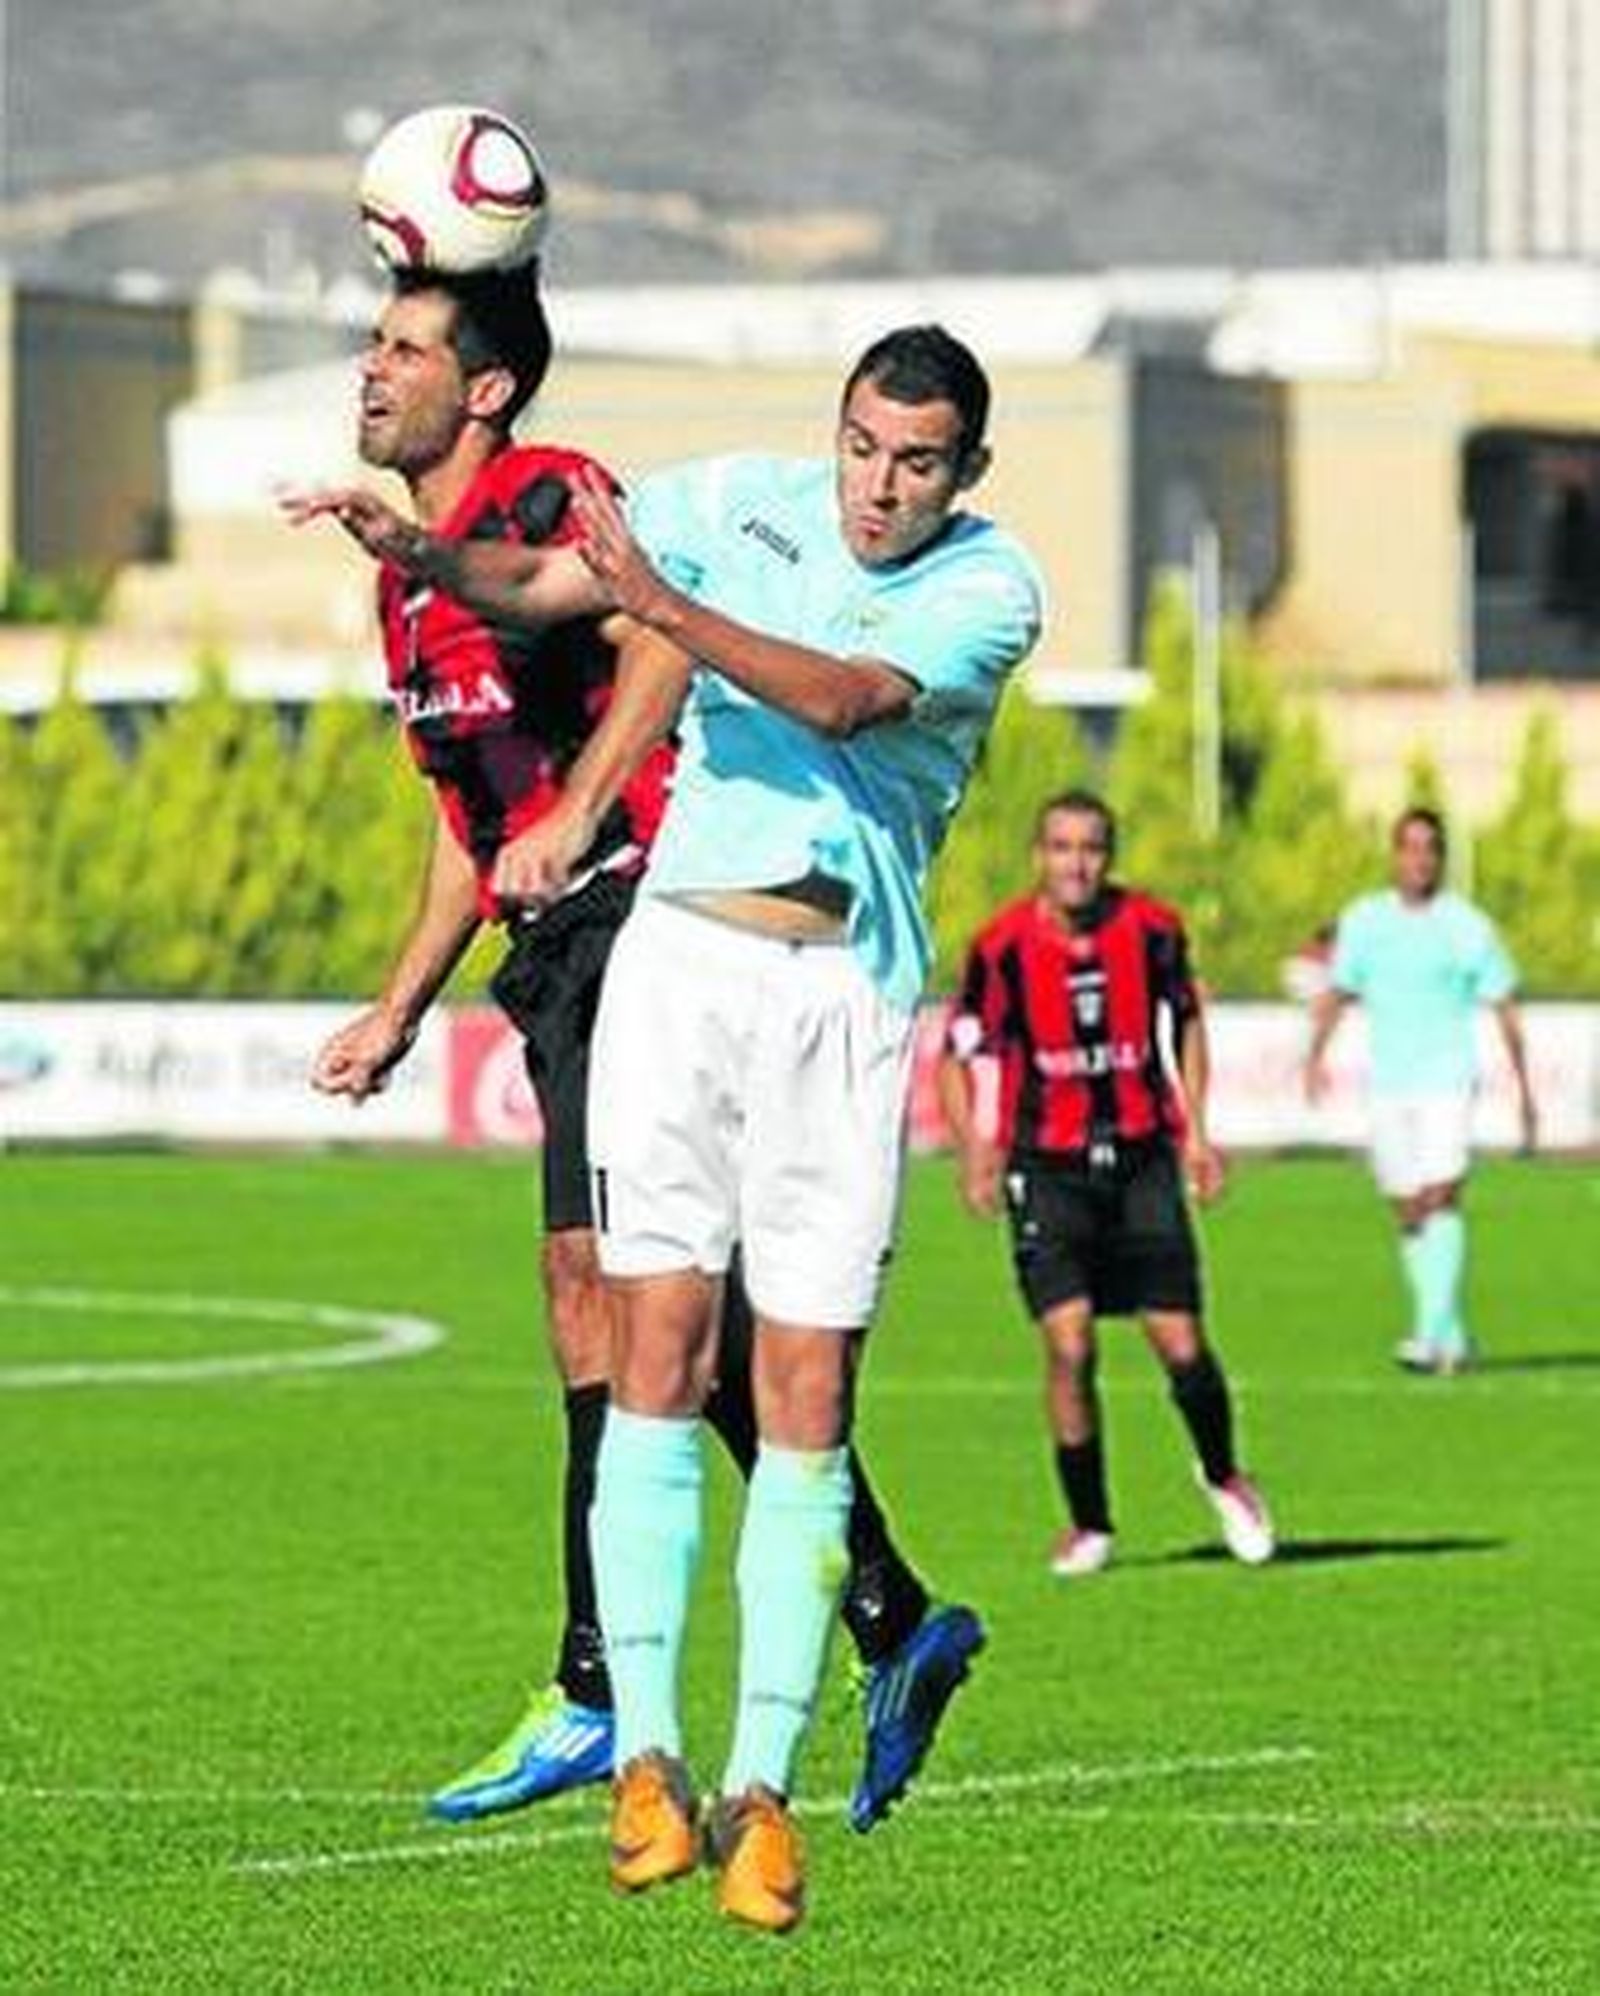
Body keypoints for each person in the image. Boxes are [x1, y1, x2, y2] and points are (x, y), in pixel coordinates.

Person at [295, 322, 1043, 1932]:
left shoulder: (992, 587)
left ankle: (761, 1793)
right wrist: (427, 550)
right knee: (655, 1347)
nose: (878, 486)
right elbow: (551, 592)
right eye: (861, 446)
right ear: (831, 428)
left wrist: (669, 607)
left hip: (843, 998)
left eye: (917, 462)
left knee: (804, 1392)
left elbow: (843, 700)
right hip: (683, 970)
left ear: (964, 473)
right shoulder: (740, 500)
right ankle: (646, 1762)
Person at [938, 789, 1275, 1580]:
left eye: (1090, 847)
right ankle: (1090, 1522)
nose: (1076, 863)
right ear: (1039, 857)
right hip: (1046, 1170)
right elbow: (956, 1054)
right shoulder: (1002, 947)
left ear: (1109, 855)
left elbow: (1186, 1021)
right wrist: (975, 1147)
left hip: (1141, 1160)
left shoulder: (1153, 929)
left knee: (1183, 1348)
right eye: (1061, 847)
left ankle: (1225, 1475)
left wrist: (1196, 1128)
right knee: (1070, 1344)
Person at [1303, 806, 1537, 1375]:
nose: (1419, 858)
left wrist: (1525, 1088)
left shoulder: (1466, 925)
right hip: (1389, 1083)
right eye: (1409, 846)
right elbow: (1339, 990)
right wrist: (1313, 1056)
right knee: (1408, 1208)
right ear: (1394, 854)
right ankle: (1451, 1334)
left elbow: (1503, 1002)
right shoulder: (1364, 920)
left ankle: (1427, 1335)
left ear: (1442, 858)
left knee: (1441, 1194)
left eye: (1430, 848)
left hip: (1447, 1080)